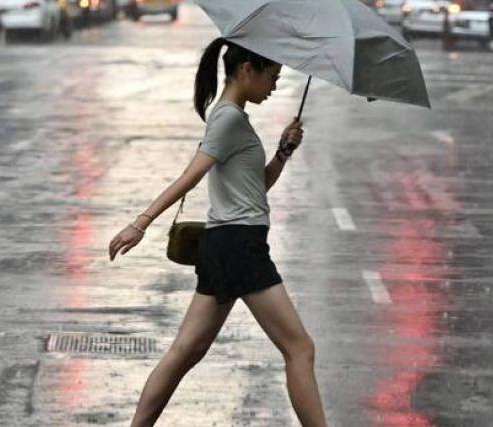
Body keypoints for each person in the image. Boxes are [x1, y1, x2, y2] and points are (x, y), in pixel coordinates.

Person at [108, 37, 328, 426]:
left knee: (186, 351)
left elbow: (254, 187)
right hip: (239, 247)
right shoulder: (227, 118)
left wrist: (282, 152)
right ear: (247, 70)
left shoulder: (233, 117)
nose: (275, 85)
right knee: (300, 349)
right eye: (272, 76)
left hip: (226, 245)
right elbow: (190, 176)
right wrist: (139, 223)